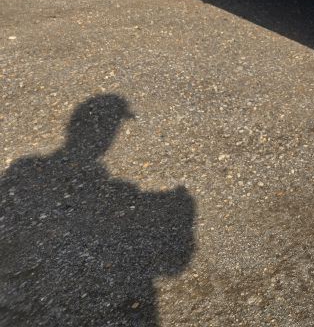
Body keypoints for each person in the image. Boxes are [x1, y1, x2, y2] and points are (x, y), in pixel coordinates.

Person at [0, 94, 195, 326]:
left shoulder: (24, 170)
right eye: (111, 126)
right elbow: (174, 264)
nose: (111, 134)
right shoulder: (27, 171)